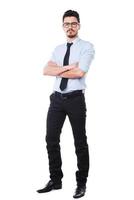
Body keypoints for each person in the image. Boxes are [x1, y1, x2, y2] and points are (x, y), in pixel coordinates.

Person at [37, 10, 95, 198]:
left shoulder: (87, 47)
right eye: (66, 24)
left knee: (80, 142)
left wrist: (59, 70)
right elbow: (46, 70)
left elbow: (80, 73)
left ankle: (81, 183)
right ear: (63, 26)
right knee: (51, 140)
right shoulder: (58, 49)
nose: (70, 27)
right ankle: (56, 180)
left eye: (73, 23)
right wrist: (69, 66)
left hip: (75, 99)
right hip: (56, 99)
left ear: (79, 25)